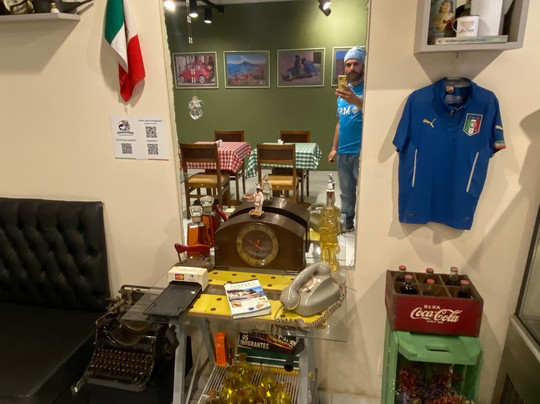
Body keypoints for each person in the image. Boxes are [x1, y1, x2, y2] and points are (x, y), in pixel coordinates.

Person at [328, 46, 365, 232]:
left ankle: (367, 228)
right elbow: (340, 123)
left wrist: (355, 100)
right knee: (346, 193)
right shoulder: (343, 93)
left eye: (356, 64)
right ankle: (347, 224)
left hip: (362, 152)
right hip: (344, 152)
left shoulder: (369, 90)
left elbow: (374, 111)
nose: (351, 68)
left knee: (365, 192)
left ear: (363, 65)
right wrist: (334, 147)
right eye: (348, 65)